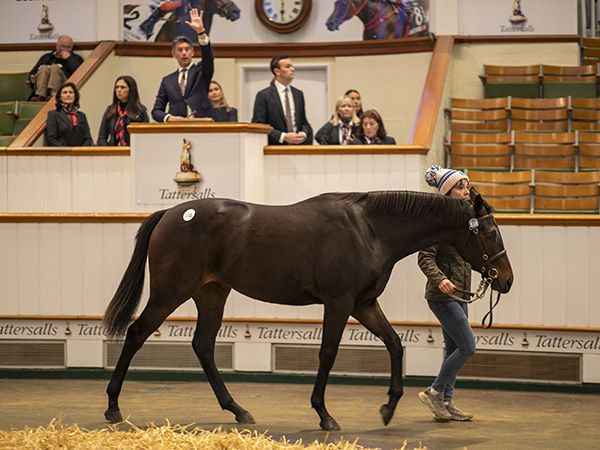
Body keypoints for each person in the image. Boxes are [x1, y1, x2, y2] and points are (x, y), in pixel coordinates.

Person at [417, 165, 475, 422]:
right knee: (467, 346)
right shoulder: (436, 224)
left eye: (467, 186)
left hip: (460, 293)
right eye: (461, 187)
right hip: (441, 296)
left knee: (453, 347)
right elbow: (424, 257)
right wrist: (439, 279)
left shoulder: (464, 221)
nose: (467, 191)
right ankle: (435, 391)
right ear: (448, 192)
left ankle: (447, 403)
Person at [151, 8, 214, 122]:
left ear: (192, 52)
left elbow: (208, 57)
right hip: (177, 128)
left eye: (187, 49)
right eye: (180, 50)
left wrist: (201, 32)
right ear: (174, 54)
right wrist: (169, 118)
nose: (184, 53)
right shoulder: (167, 81)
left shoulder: (201, 71)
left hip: (202, 125)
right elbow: (156, 111)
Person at [251, 55, 313, 145]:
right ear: (277, 71)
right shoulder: (264, 95)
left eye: (292, 66)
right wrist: (283, 136)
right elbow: (259, 126)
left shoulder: (298, 94)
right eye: (288, 67)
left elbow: (304, 123)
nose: (292, 69)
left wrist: (303, 134)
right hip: (274, 148)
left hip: (298, 148)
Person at [97, 76, 149, 146]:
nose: (119, 90)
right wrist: (109, 151)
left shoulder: (140, 111)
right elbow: (101, 138)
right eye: (117, 87)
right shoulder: (110, 110)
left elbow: (145, 137)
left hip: (133, 151)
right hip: (113, 151)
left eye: (123, 87)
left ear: (131, 90)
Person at [29, 35, 84, 101]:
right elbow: (33, 72)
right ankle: (41, 95)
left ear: (72, 48)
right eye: (63, 46)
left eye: (68, 47)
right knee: (44, 67)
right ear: (57, 46)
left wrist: (69, 58)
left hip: (64, 87)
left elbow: (79, 74)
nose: (65, 49)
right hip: (44, 88)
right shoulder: (47, 57)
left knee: (55, 67)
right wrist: (32, 77)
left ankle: (54, 95)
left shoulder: (76, 58)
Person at [45, 82, 93, 146]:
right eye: (65, 92)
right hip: (62, 154)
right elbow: (51, 139)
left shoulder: (82, 115)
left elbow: (88, 138)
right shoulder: (53, 115)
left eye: (71, 92)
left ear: (75, 96)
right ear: (60, 97)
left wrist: (81, 151)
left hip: (81, 154)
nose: (68, 95)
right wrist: (68, 152)